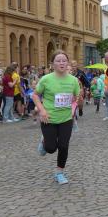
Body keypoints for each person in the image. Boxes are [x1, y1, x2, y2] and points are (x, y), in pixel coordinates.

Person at [32, 51, 81, 185]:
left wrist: (75, 104)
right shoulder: (46, 79)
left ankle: (59, 173)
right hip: (49, 118)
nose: (61, 63)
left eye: (64, 60)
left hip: (66, 119)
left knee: (63, 146)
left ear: (67, 63)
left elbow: (76, 97)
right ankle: (44, 142)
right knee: (51, 148)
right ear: (52, 64)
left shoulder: (73, 80)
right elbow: (35, 95)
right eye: (58, 61)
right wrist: (42, 110)